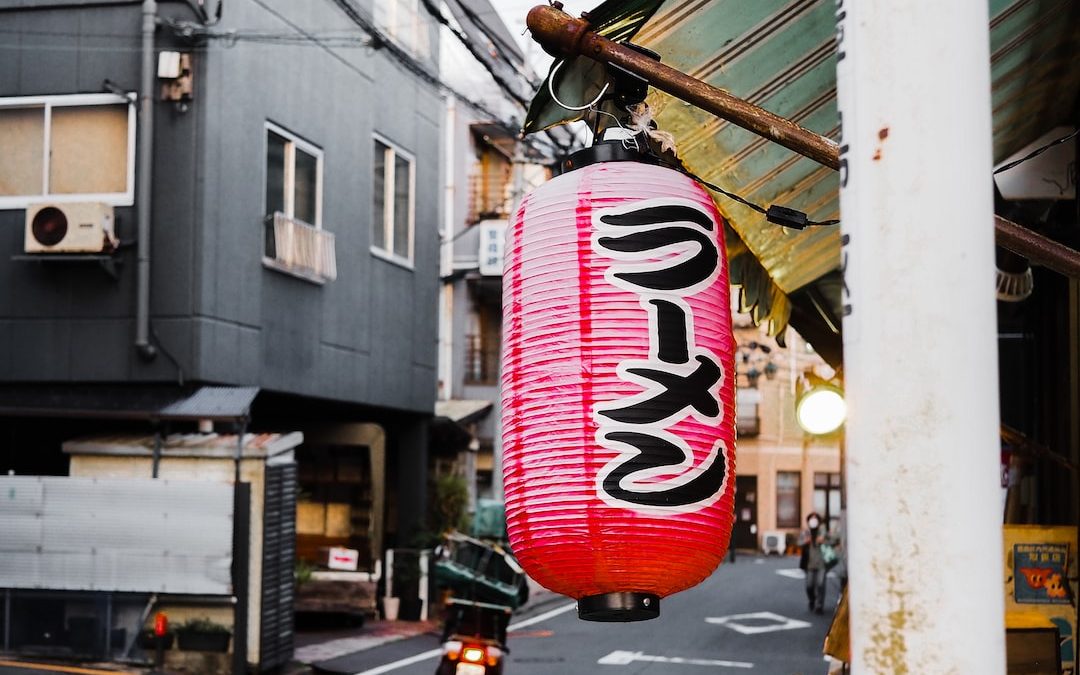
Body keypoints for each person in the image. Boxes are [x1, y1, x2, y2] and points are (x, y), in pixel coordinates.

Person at [798, 511, 838, 614]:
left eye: (815, 519)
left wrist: (824, 541)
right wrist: (805, 541)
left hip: (822, 564)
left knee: (820, 584)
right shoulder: (806, 532)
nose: (813, 521)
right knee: (809, 586)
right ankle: (812, 600)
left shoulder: (823, 532)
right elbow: (799, 542)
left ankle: (819, 605)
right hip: (809, 564)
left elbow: (834, 541)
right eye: (812, 519)